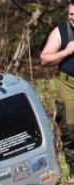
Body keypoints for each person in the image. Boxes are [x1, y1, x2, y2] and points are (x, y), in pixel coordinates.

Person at [41, 0, 74, 172]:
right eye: (70, 14)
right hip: (69, 86)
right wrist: (66, 52)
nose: (72, 17)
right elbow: (45, 59)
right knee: (70, 130)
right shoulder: (61, 31)